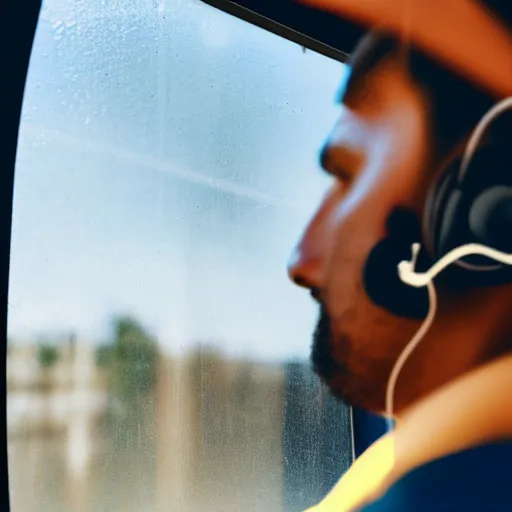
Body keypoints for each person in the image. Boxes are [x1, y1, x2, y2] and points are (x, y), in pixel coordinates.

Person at [286, 1, 512, 510]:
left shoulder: (453, 490)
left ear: (485, 209)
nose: (302, 261)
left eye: (347, 176)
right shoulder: (413, 468)